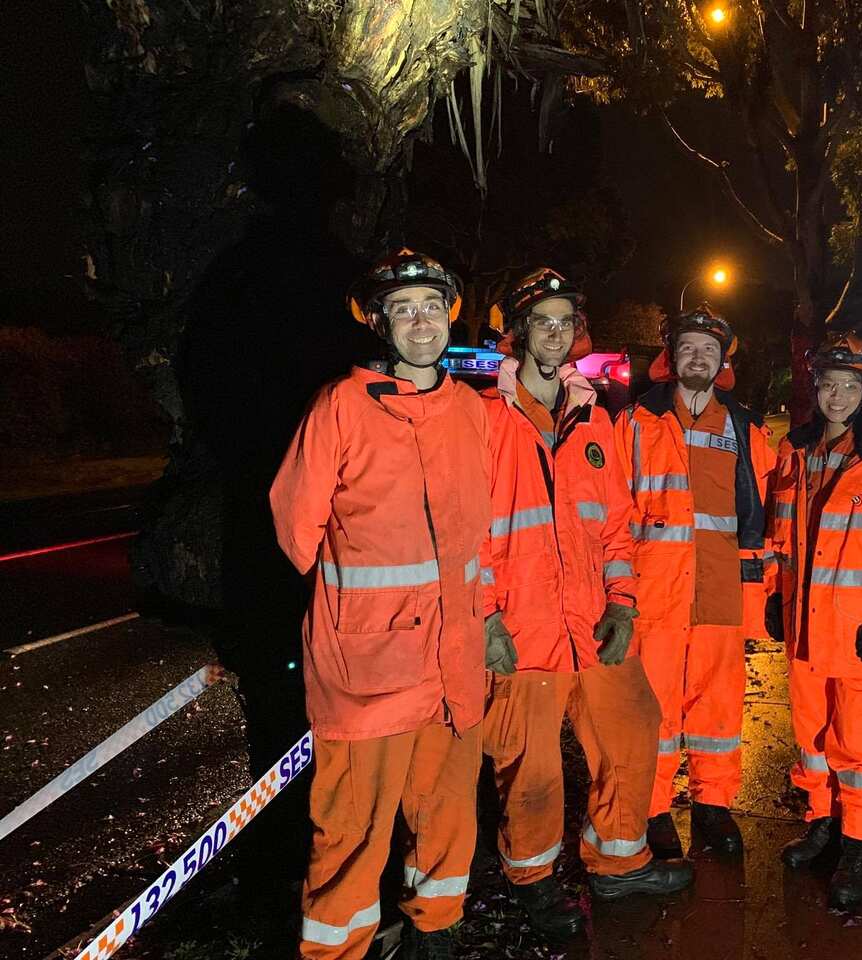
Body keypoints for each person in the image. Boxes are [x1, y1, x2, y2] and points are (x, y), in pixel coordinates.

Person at [270, 249, 491, 960]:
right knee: (353, 828)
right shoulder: (341, 406)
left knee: (448, 813)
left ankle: (437, 933)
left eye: (431, 305)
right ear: (379, 323)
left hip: (451, 660)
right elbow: (294, 524)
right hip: (366, 669)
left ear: (449, 315)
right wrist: (353, 607)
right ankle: (336, 951)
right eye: (403, 308)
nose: (420, 321)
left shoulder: (469, 410)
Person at [480, 268, 693, 939]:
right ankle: (534, 880)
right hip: (522, 631)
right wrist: (485, 618)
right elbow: (466, 532)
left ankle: (619, 860)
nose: (554, 333)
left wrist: (623, 606)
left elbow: (613, 527)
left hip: (593, 624)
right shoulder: (484, 421)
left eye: (564, 321)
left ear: (578, 332)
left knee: (633, 727)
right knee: (528, 767)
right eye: (540, 321)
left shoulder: (594, 419)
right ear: (517, 334)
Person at [613, 304, 776, 859]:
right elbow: (613, 510)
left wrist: (767, 591)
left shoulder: (746, 427)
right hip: (654, 592)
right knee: (654, 709)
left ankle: (713, 805)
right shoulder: (634, 422)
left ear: (723, 360)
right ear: (670, 357)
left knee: (718, 706)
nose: (698, 357)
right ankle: (655, 807)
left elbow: (767, 514)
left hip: (722, 589)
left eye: (709, 348)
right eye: (688, 347)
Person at [766, 333, 862, 908]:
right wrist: (778, 596)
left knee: (859, 745)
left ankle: (860, 842)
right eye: (829, 384)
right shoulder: (796, 453)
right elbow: (784, 540)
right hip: (807, 632)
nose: (837, 396)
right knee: (812, 737)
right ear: (816, 386)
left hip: (861, 635)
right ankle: (822, 822)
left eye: (851, 386)